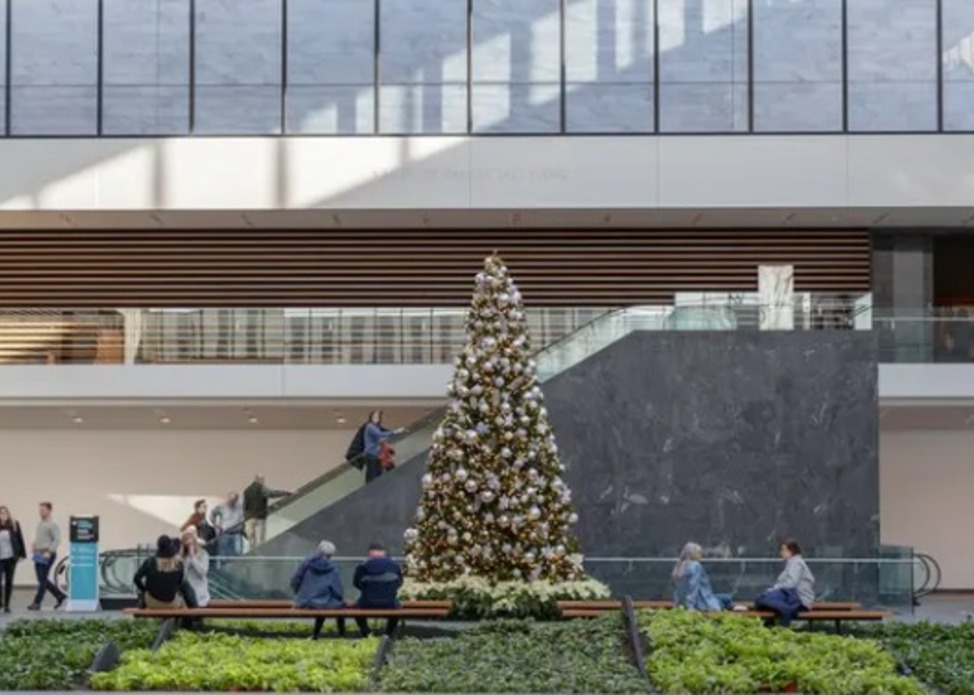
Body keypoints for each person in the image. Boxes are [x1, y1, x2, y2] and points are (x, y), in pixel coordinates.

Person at [291, 540, 346, 639]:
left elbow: (295, 580)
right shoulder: (333, 568)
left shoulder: (307, 564)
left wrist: (298, 594)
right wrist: (340, 598)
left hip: (305, 601)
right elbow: (337, 588)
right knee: (338, 605)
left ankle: (316, 635)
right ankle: (341, 634)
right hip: (323, 601)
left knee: (323, 605)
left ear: (318, 551)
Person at [754, 539, 815, 627]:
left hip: (798, 600)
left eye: (783, 550)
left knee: (764, 600)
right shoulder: (792, 563)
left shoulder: (796, 563)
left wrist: (775, 589)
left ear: (791, 551)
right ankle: (773, 625)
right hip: (791, 599)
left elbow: (791, 584)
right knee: (766, 601)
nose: (781, 553)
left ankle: (781, 622)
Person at [352, 542, 403, 637]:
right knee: (398, 609)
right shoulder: (394, 566)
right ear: (384, 552)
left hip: (367, 603)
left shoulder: (362, 567)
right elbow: (399, 583)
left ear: (370, 554)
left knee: (356, 609)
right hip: (389, 603)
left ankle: (366, 633)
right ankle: (388, 634)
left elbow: (356, 583)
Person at [134, 535, 198, 609]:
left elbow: (136, 578)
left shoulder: (150, 562)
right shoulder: (178, 564)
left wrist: (145, 590)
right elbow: (179, 583)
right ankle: (194, 616)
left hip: (151, 602)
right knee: (184, 597)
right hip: (171, 603)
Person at [672, 542, 733, 612]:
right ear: (693, 554)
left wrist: (678, 604)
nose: (701, 555)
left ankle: (735, 607)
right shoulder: (695, 566)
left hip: (685, 602)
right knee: (726, 600)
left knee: (726, 598)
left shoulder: (679, 566)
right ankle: (735, 608)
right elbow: (693, 586)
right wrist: (690, 607)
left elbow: (677, 590)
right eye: (699, 553)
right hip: (702, 602)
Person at [28, 502, 66, 611]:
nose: (41, 512)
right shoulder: (41, 523)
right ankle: (59, 595)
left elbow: (57, 539)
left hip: (47, 554)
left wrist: (49, 551)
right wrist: (35, 546)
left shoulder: (52, 524)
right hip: (38, 554)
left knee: (42, 579)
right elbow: (42, 538)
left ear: (49, 510)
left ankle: (37, 603)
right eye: (40, 510)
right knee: (41, 579)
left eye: (43, 510)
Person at [243, 475, 290, 549]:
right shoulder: (261, 488)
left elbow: (245, 505)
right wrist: (287, 493)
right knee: (261, 539)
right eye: (262, 479)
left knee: (251, 540)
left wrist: (246, 517)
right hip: (259, 516)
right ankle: (260, 553)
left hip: (249, 517)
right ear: (260, 480)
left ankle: (251, 552)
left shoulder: (247, 490)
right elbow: (272, 493)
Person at [0, 506, 27, 612]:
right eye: (1, 513)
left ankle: (7, 605)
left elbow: (20, 539)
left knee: (9, 581)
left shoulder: (14, 524)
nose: (2, 515)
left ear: (8, 514)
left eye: (4, 513)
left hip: (11, 558)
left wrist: (22, 554)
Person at [363, 411, 400, 483]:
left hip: (376, 455)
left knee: (377, 475)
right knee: (372, 476)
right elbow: (379, 434)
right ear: (371, 417)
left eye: (378, 417)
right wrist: (394, 432)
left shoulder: (376, 427)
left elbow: (379, 438)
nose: (377, 418)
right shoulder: (370, 426)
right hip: (371, 455)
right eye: (375, 416)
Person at [210, 492, 245, 560]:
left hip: (237, 533)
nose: (232, 502)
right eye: (231, 500)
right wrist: (216, 525)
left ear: (236, 500)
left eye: (234, 500)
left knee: (238, 552)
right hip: (225, 533)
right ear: (228, 498)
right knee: (223, 554)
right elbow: (212, 514)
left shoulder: (240, 506)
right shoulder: (221, 506)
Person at [181, 530, 210, 607]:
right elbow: (183, 574)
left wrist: (193, 557)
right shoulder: (183, 557)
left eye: (191, 544)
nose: (190, 547)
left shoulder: (203, 554)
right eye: (187, 545)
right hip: (186, 593)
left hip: (200, 594)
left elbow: (202, 572)